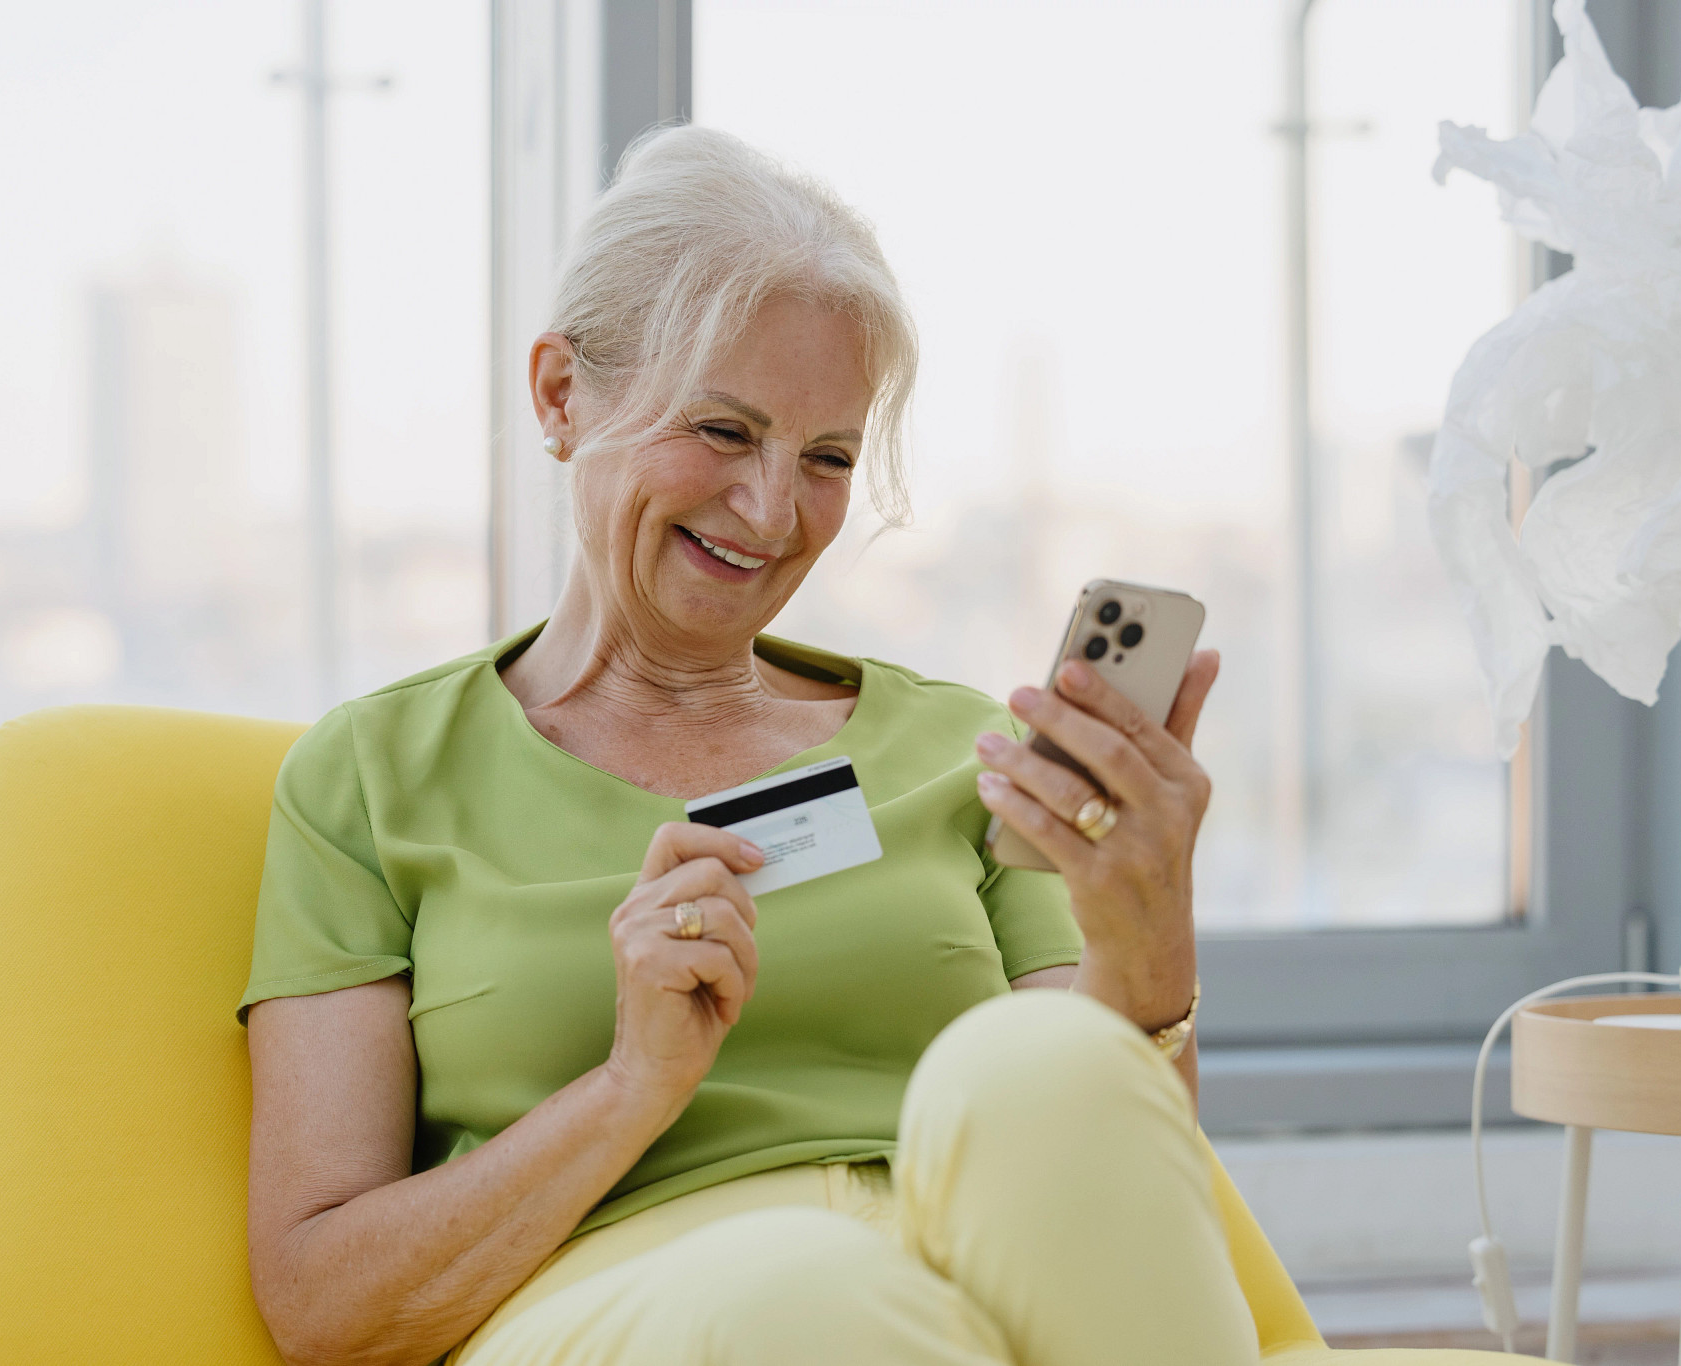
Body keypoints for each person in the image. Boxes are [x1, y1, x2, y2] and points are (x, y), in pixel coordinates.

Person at [239, 125, 1247, 1366]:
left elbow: (1115, 1187)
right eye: (722, 431)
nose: (773, 512)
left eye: (825, 458)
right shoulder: (373, 777)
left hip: (982, 1298)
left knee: (1042, 1066)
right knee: (807, 1291)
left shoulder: (963, 749)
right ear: (562, 395)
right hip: (623, 1301)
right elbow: (323, 1308)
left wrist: (1147, 946)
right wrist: (628, 1087)